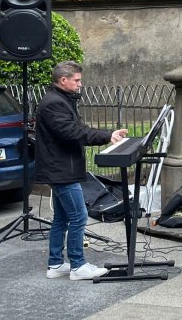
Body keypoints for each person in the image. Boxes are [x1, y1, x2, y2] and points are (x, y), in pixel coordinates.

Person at [34, 61, 128, 280]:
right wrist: (107, 136)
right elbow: (72, 132)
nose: (80, 84)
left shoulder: (60, 99)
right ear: (63, 80)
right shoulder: (54, 103)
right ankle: (78, 266)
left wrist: (106, 135)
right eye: (76, 80)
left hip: (60, 168)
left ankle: (56, 264)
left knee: (61, 218)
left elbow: (76, 129)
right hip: (61, 170)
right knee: (78, 216)